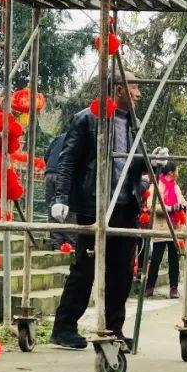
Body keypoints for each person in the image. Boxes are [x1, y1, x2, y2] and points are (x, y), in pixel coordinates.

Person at [49, 74, 146, 349]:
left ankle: (113, 328)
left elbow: (135, 165)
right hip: (95, 204)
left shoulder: (134, 124)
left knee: (122, 271)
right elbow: (68, 159)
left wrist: (154, 162)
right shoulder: (87, 119)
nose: (138, 93)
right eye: (134, 87)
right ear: (119, 89)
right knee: (85, 267)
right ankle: (64, 327)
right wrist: (61, 197)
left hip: (126, 205)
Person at [144, 161, 186, 299]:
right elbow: (150, 206)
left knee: (174, 259)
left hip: (175, 228)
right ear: (171, 173)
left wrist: (183, 206)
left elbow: (182, 201)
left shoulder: (176, 187)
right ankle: (149, 287)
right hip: (161, 228)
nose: (178, 173)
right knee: (156, 259)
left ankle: (174, 288)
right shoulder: (155, 186)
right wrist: (169, 209)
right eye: (177, 171)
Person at [44, 132, 70, 248]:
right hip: (64, 175)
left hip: (50, 173)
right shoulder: (79, 136)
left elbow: (46, 156)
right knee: (67, 206)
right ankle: (69, 244)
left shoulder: (59, 137)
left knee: (52, 206)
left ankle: (57, 242)